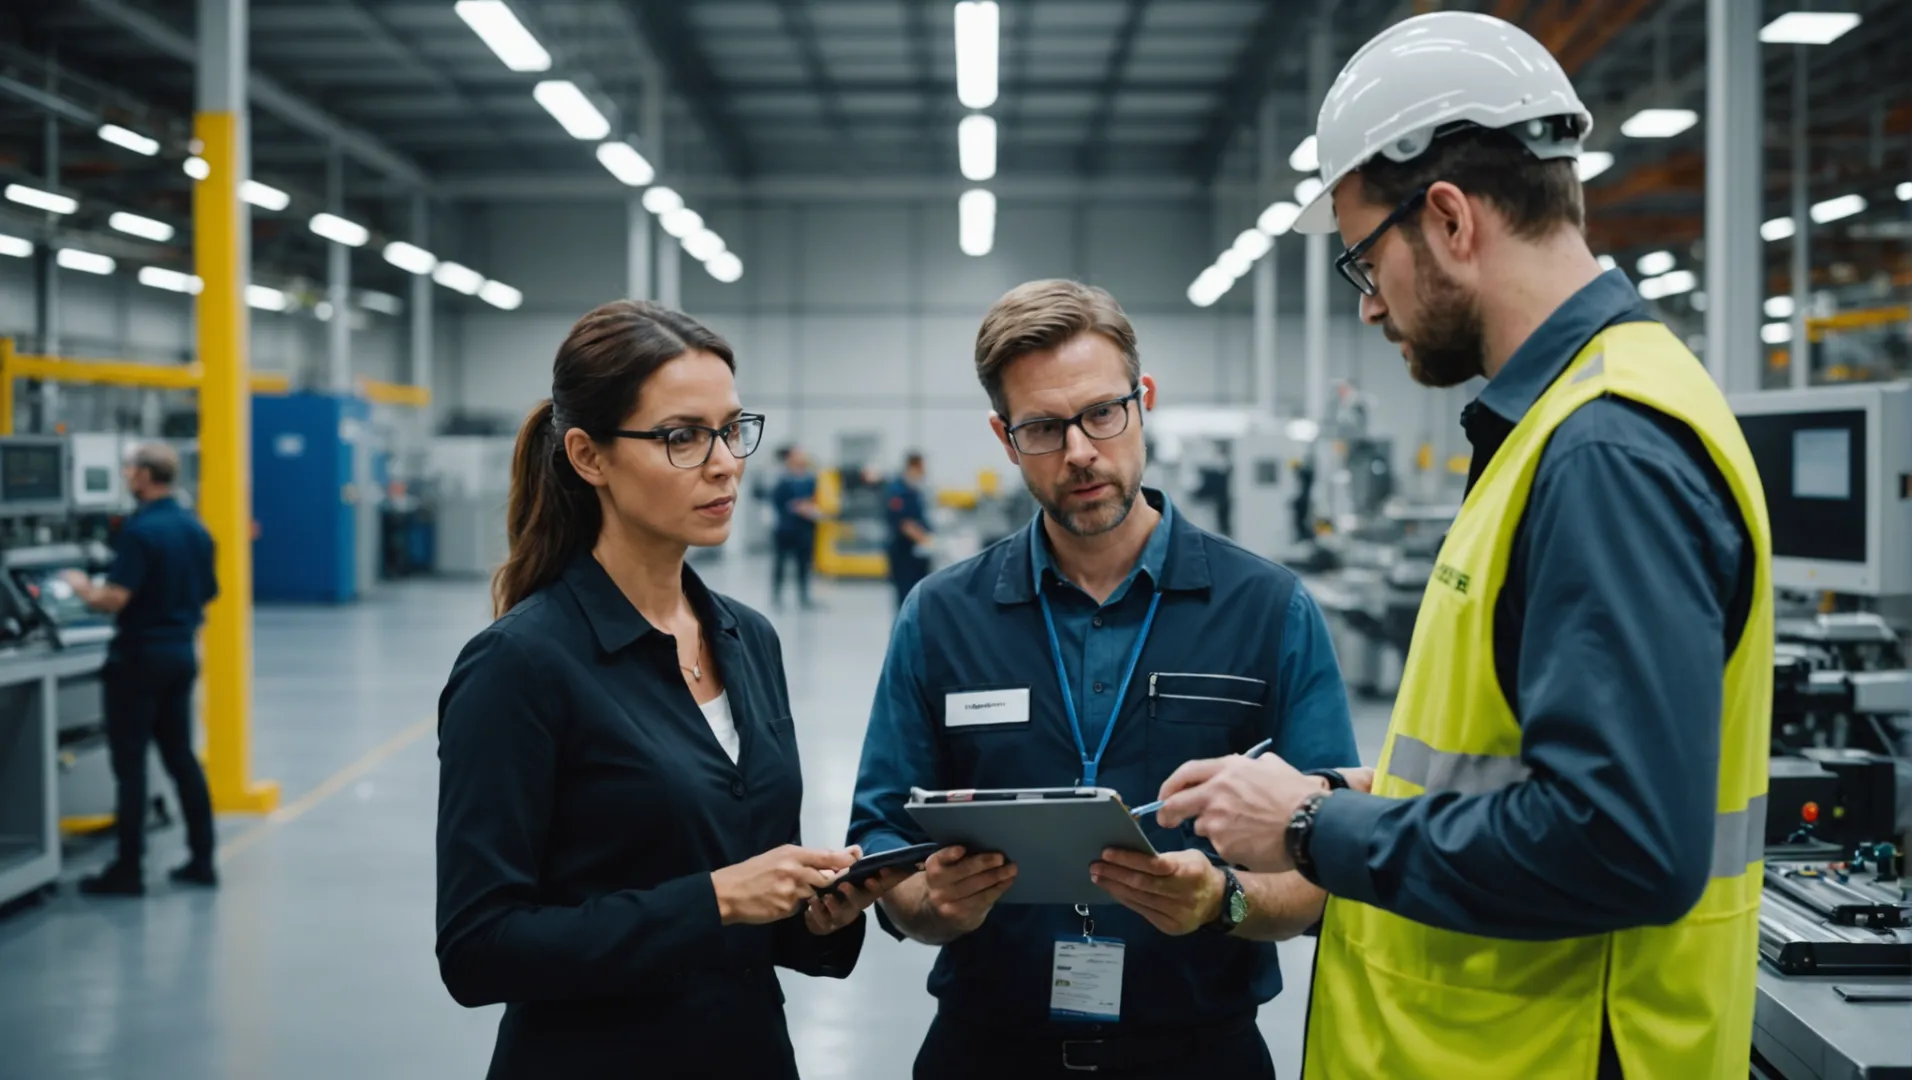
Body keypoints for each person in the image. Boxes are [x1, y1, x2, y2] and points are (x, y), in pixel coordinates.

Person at [1154, 13, 1771, 1080]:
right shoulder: (1562, 422)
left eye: (1362, 260)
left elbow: (1622, 844)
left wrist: (1311, 827)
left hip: (1554, 1051)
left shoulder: (1602, 451)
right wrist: (1356, 796)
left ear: (1445, 219)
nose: (1366, 307)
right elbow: (1523, 766)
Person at [847, 279, 1358, 1079]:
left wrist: (1222, 899)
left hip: (1199, 1053)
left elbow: (1327, 860)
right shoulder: (942, 616)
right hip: (988, 1051)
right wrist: (929, 906)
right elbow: (880, 836)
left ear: (1142, 400)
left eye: (1101, 415)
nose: (1081, 451)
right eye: (1044, 427)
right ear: (1005, 436)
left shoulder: (1268, 610)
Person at [434, 300, 904, 1079]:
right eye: (682, 437)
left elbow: (746, 889)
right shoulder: (519, 666)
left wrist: (816, 912)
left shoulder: (746, 638)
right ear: (588, 456)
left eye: (730, 428)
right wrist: (714, 900)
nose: (724, 462)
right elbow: (479, 948)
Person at [66, 441, 219, 896]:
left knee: (130, 765)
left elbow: (114, 598)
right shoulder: (195, 529)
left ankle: (128, 870)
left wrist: (79, 587)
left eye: (130, 469)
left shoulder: (140, 532)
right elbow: (208, 592)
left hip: (137, 660)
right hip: (180, 656)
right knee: (181, 758)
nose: (126, 475)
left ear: (146, 476)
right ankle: (202, 860)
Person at [768, 444, 821, 609]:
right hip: (785, 528)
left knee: (804, 563)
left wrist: (810, 508)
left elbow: (815, 498)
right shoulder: (782, 479)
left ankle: (804, 596)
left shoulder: (810, 478)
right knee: (780, 563)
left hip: (804, 528)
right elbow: (777, 502)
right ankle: (777, 596)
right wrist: (794, 507)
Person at [884, 451, 932, 609]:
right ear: (912, 467)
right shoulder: (898, 490)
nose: (924, 472)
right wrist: (928, 541)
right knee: (905, 598)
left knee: (919, 596)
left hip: (916, 555)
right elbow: (905, 524)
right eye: (921, 468)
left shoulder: (914, 490)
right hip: (902, 553)